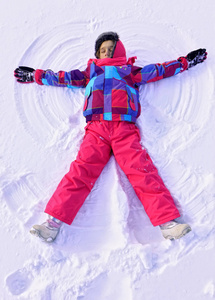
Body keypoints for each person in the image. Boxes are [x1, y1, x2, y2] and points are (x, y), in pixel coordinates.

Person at [14, 32, 207, 243]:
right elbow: (63, 77)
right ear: (97, 54)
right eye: (103, 50)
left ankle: (168, 223)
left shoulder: (129, 72)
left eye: (110, 49)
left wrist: (186, 62)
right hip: (96, 130)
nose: (106, 52)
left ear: (120, 51)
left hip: (124, 128)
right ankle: (51, 224)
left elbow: (160, 70)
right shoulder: (90, 73)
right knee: (80, 172)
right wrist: (36, 75)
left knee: (141, 171)